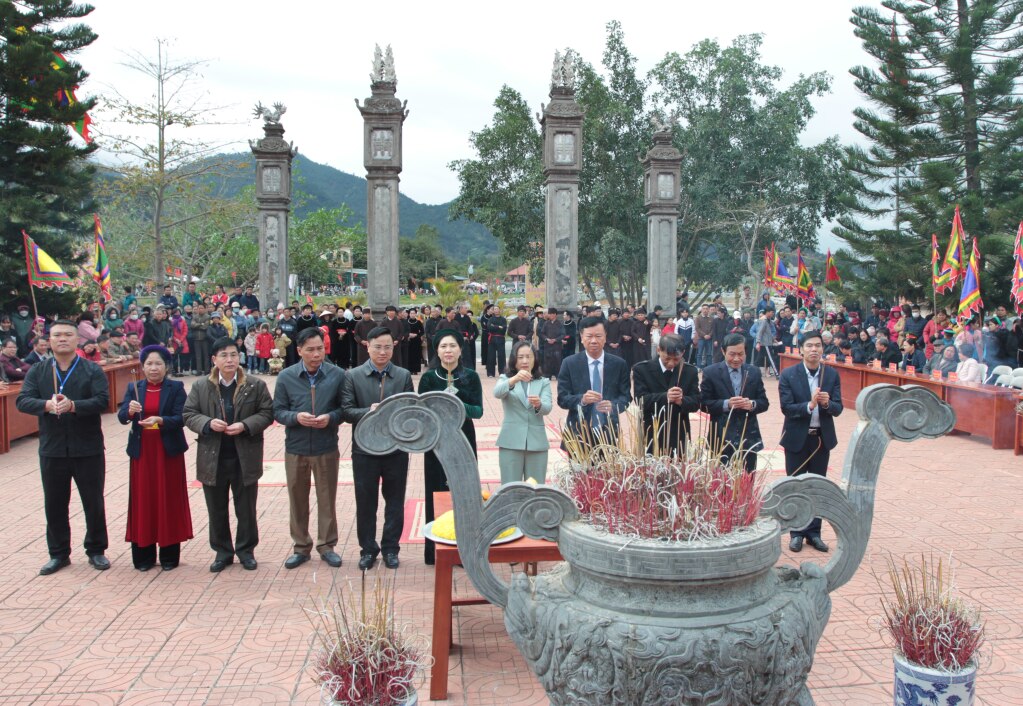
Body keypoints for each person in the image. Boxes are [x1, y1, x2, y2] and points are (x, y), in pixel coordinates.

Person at [16, 320, 111, 575]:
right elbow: (23, 400)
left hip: (87, 446)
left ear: (77, 339)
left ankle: (96, 549)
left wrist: (73, 406)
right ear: (49, 339)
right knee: (55, 502)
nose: (62, 339)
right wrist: (46, 406)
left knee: (93, 500)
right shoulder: (39, 371)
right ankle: (58, 553)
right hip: (53, 447)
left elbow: (103, 400)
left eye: (68, 335)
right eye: (57, 335)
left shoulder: (92, 370)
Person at [183, 337, 274, 572]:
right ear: (214, 360)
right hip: (213, 456)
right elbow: (189, 413)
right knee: (217, 509)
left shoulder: (255, 384)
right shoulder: (202, 386)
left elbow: (266, 413)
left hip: (244, 455)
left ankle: (246, 551)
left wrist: (245, 425)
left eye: (233, 354)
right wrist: (207, 422)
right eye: (223, 355)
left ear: (239, 357)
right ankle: (222, 552)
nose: (230, 359)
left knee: (246, 509)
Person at [273, 328, 346, 570]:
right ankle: (301, 546)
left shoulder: (337, 375)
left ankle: (327, 546)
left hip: (326, 446)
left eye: (320, 349)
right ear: (299, 351)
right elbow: (278, 411)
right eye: (311, 350)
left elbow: (344, 409)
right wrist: (296, 417)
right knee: (297, 498)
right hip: (296, 447)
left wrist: (330, 417)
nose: (316, 355)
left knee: (327, 498)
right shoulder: (286, 377)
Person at [341, 327, 414, 570]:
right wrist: (369, 412)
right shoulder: (353, 376)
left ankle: (391, 549)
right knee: (366, 501)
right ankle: (368, 549)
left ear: (394, 348)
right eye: (378, 347)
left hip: (395, 449)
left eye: (388, 347)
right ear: (368, 347)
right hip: (365, 450)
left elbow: (410, 409)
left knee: (395, 501)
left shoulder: (402, 375)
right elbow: (347, 411)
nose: (383, 352)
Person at [116, 345, 193, 571]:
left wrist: (160, 420)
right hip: (142, 453)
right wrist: (129, 411)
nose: (153, 368)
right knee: (143, 499)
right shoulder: (134, 388)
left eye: (158, 363)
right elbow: (122, 418)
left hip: (167, 450)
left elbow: (182, 417)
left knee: (168, 498)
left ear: (166, 366)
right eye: (149, 364)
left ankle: (169, 553)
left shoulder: (176, 387)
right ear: (142, 367)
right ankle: (143, 555)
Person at [417, 329, 484, 564]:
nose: (448, 351)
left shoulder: (471, 377)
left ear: (460, 349)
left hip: (464, 439)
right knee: (436, 491)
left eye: (452, 346)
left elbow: (478, 411)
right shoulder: (428, 378)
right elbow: (422, 412)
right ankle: (434, 551)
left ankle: (463, 551)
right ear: (437, 350)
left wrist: (457, 404)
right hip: (436, 441)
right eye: (443, 346)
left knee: (463, 493)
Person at [777, 331, 844, 553]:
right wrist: (810, 405)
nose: (814, 350)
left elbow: (839, 408)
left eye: (817, 346)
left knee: (817, 487)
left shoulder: (831, 374)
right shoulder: (789, 375)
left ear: (822, 349)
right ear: (801, 349)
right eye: (809, 346)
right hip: (796, 439)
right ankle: (796, 533)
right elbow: (786, 408)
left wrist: (826, 404)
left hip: (820, 440)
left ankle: (814, 533)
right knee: (796, 487)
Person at [699, 333, 770, 473]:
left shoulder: (753, 372)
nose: (736, 358)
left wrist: (752, 404)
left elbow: (764, 402)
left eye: (741, 354)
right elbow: (703, 403)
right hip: (721, 436)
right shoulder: (711, 372)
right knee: (721, 483)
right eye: (732, 354)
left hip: (748, 436)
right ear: (723, 351)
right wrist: (726, 404)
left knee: (746, 482)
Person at [557, 317, 631, 443]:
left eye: (598, 336)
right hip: (578, 434)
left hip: (609, 433)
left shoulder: (619, 364)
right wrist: (582, 399)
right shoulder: (569, 363)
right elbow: (562, 399)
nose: (593, 341)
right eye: (589, 336)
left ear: (605, 337)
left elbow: (626, 397)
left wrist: (613, 406)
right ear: (581, 337)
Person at [632, 334, 700, 456]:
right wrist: (665, 397)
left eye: (676, 359)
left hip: (678, 431)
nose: (671, 363)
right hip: (651, 430)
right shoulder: (642, 369)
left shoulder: (689, 371)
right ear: (658, 350)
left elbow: (696, 403)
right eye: (667, 358)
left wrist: (682, 400)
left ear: (683, 353)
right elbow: (640, 401)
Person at [493, 341, 551, 484]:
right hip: (510, 441)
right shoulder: (506, 379)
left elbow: (547, 408)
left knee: (536, 488)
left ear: (535, 359)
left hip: (537, 442)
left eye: (529, 357)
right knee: (510, 487)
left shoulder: (543, 382)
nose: (525, 361)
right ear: (514, 359)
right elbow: (497, 393)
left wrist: (539, 404)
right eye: (520, 357)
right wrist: (514, 379)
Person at [485, 306, 508, 377]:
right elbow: (489, 327)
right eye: (494, 309)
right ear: (493, 311)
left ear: (500, 310)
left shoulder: (503, 319)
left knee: (501, 356)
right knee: (491, 356)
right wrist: (498, 327)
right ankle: (491, 373)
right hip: (492, 339)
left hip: (501, 339)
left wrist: (494, 326)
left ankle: (502, 372)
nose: (496, 310)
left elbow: (504, 329)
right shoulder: (491, 319)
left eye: (497, 309)